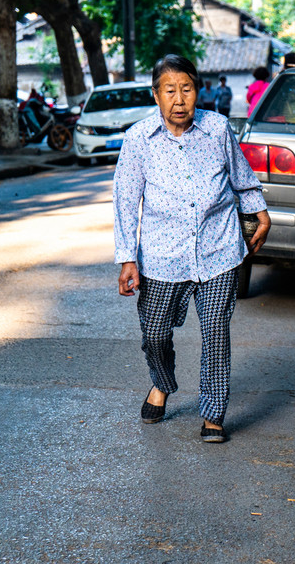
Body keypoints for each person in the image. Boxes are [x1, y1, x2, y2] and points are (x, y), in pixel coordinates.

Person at [113, 54, 271, 444]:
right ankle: (162, 383)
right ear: (156, 95)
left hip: (218, 249)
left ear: (197, 92)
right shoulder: (138, 140)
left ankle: (214, 413)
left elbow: (243, 179)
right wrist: (127, 258)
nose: (179, 99)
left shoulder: (217, 129)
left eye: (187, 89)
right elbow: (125, 200)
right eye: (170, 91)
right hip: (162, 257)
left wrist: (259, 213)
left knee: (216, 331)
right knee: (154, 334)